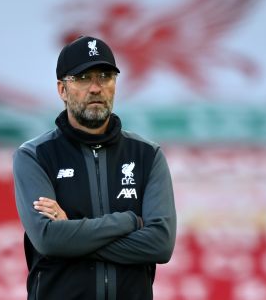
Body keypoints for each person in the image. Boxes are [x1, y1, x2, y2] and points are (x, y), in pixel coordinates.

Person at [13, 35, 177, 300]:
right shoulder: (34, 156)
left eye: (105, 76)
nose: (96, 87)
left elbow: (160, 244)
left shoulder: (148, 155)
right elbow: (49, 240)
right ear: (62, 90)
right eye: (82, 78)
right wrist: (128, 221)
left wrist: (72, 234)